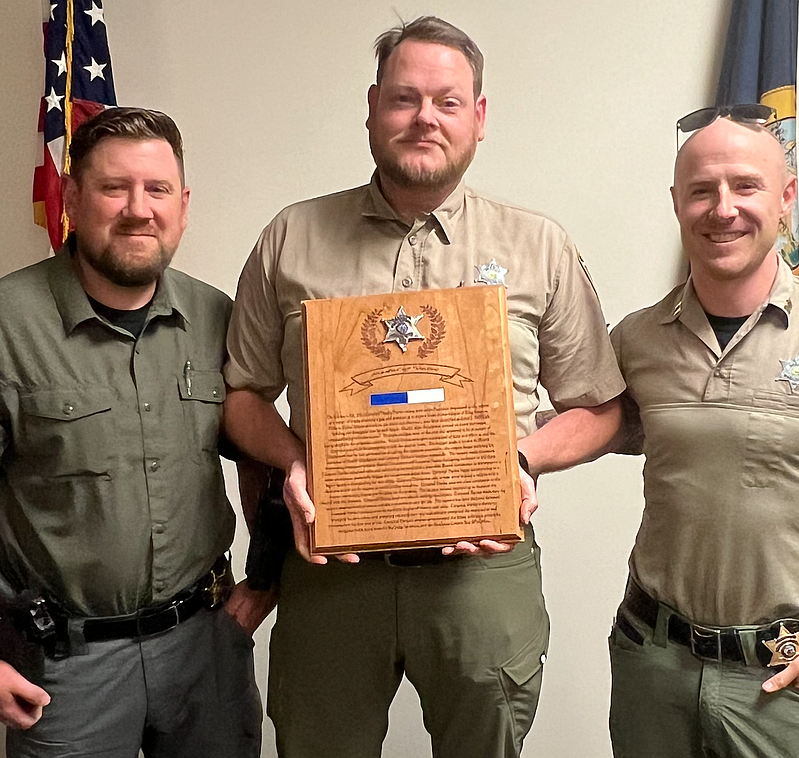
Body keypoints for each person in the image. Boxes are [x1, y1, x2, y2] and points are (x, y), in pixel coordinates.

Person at [222, 16, 625, 758]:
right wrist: (294, 462)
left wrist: (523, 463)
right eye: (404, 99)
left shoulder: (537, 244)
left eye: (446, 101)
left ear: (479, 117)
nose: (424, 119)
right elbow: (242, 398)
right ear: (373, 107)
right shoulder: (292, 237)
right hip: (330, 574)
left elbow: (600, 409)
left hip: (481, 571)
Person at [519, 109, 799, 758]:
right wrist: (484, 453)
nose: (723, 208)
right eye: (702, 189)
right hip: (652, 666)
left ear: (786, 198)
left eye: (746, 186)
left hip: (786, 676)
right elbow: (594, 422)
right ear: (677, 203)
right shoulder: (638, 340)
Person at [0, 107, 267, 758]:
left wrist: (262, 585)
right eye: (113, 187)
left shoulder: (217, 317)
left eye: (157, 190)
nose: (138, 209)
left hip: (206, 651)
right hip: (68, 667)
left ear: (182, 205)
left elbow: (256, 452)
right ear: (72, 197)